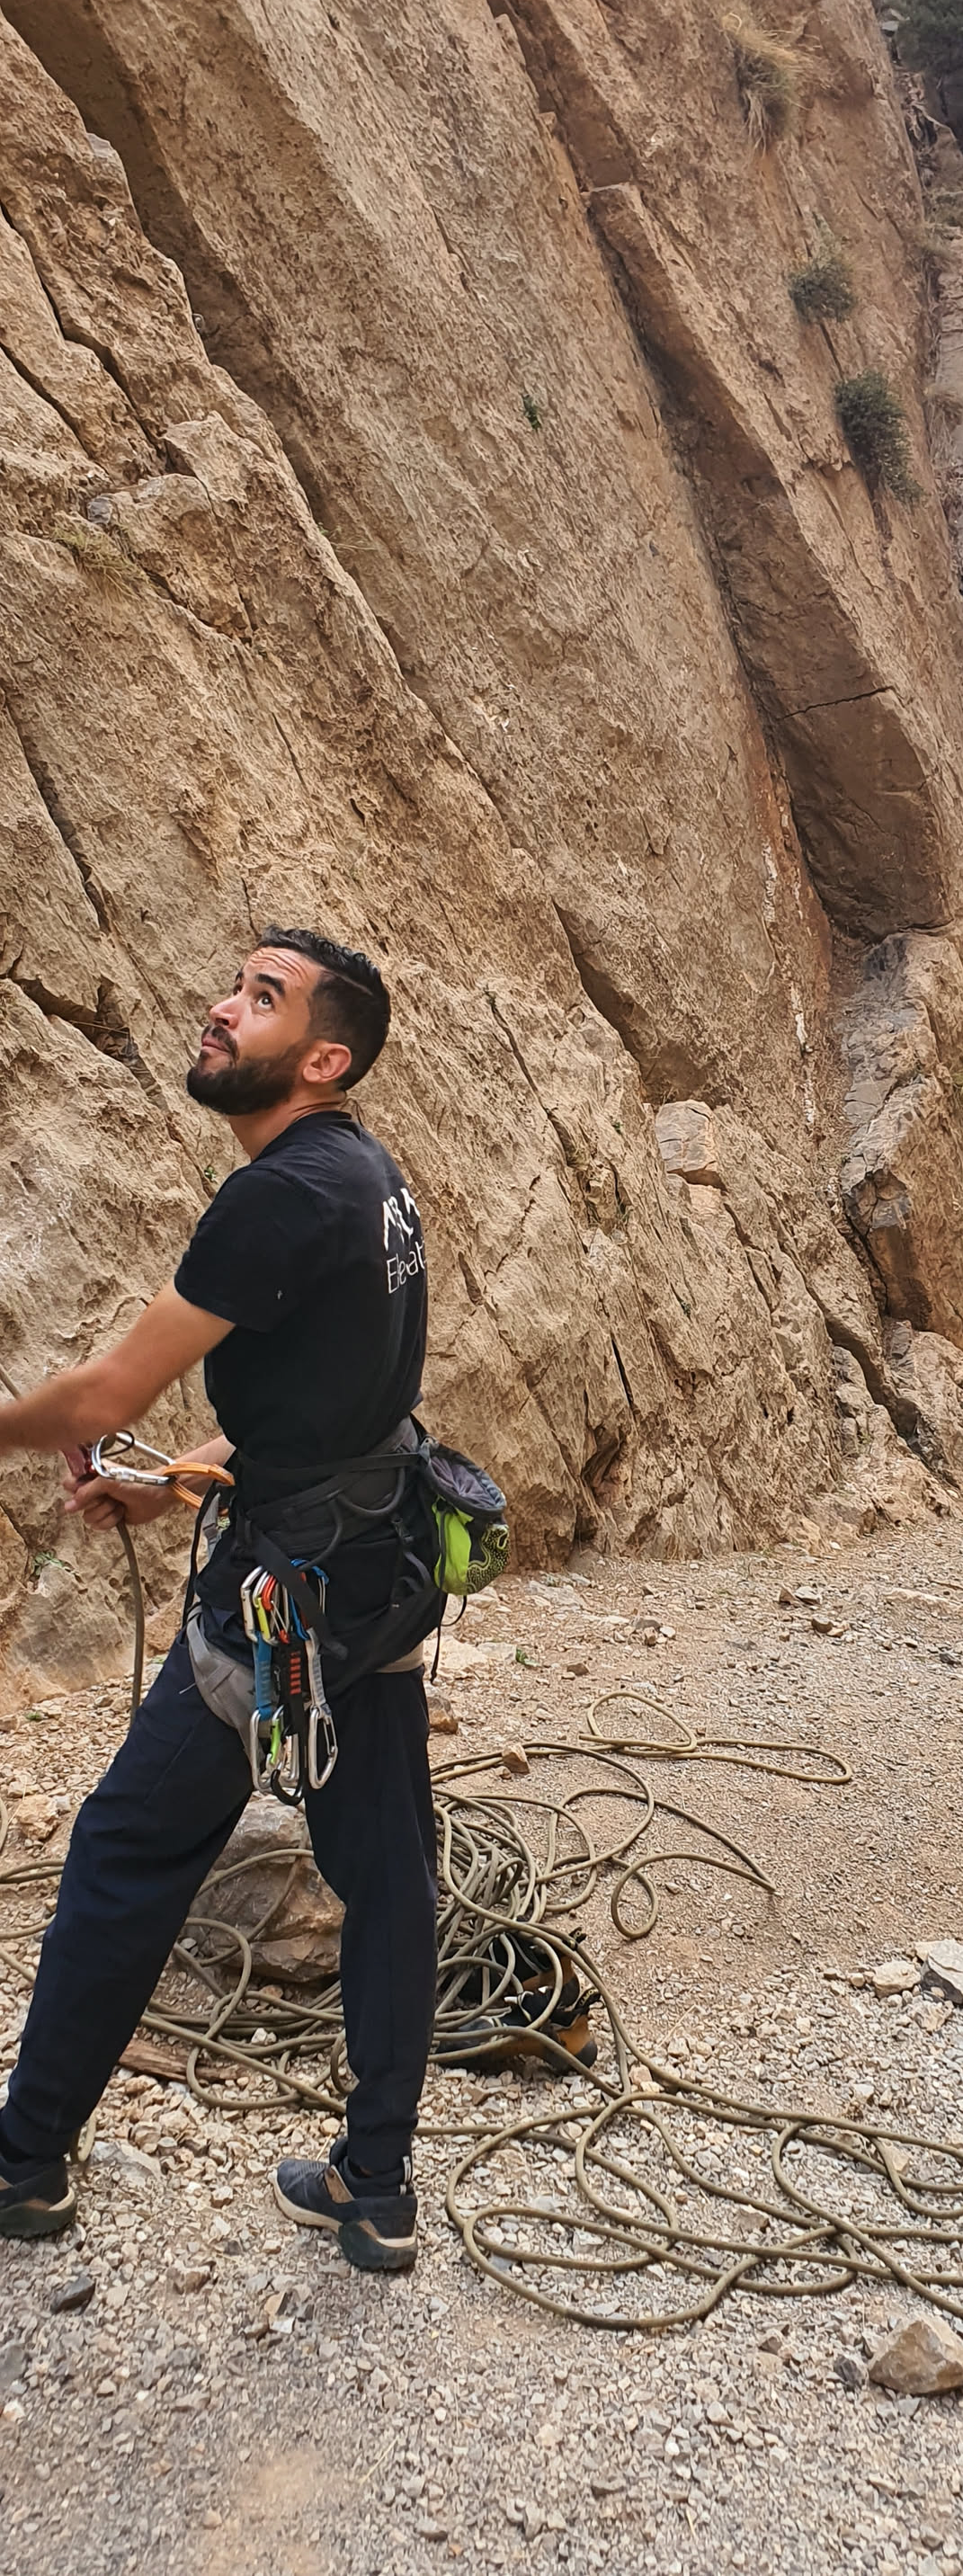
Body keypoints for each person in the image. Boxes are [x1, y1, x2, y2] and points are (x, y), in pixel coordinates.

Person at [0, 928, 439, 2271]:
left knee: (130, 1852)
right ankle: (376, 2186)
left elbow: (101, 1395)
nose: (221, 1007)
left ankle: (24, 2166)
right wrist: (179, 1479)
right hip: (379, 1567)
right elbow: (335, 1401)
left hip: (286, 1598)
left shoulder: (279, 1197)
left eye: (262, 997)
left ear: (323, 1058)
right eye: (234, 984)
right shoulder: (368, 1177)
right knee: (387, 1872)